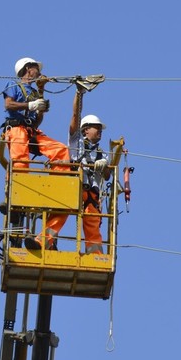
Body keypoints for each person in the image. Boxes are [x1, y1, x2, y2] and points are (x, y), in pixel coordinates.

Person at [2, 57, 70, 250]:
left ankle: (59, 184)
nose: (38, 71)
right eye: (35, 68)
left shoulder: (34, 91)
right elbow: (8, 105)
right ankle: (14, 192)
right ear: (27, 69)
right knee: (21, 162)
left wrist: (40, 102)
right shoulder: (13, 85)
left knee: (61, 150)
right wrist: (30, 106)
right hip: (16, 129)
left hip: (32, 131)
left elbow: (37, 121)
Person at [68, 84, 110, 254]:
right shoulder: (76, 142)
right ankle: (43, 242)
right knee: (59, 213)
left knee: (93, 221)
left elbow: (107, 177)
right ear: (85, 130)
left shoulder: (101, 153)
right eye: (96, 127)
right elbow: (75, 117)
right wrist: (79, 93)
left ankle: (95, 253)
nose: (99, 130)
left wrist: (104, 166)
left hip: (91, 193)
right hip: (75, 187)